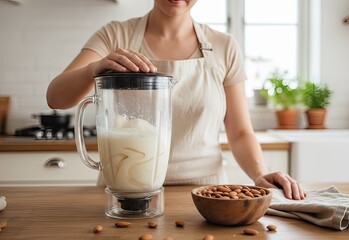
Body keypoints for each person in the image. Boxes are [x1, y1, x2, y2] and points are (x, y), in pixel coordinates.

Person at [47, 0, 305, 200]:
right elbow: (55, 97)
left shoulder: (224, 47)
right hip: (124, 191)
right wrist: (93, 69)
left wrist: (259, 174)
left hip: (205, 194)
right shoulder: (115, 36)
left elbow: (239, 132)